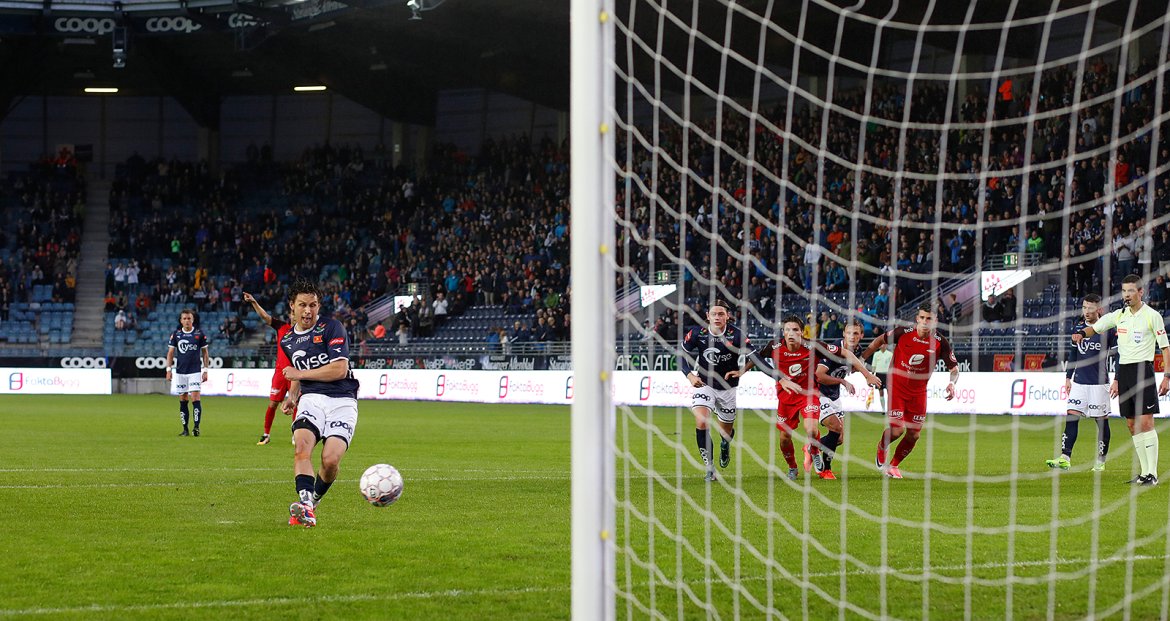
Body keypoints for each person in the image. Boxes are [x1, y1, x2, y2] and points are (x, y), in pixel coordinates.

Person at [728, 315, 871, 481]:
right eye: (787, 329)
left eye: (795, 330)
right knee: (784, 439)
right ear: (783, 332)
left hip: (808, 394)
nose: (791, 333)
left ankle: (815, 451)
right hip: (785, 397)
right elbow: (756, 358)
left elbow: (845, 352)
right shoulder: (774, 346)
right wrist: (742, 371)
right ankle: (792, 467)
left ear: (802, 333)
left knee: (811, 429)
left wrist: (867, 374)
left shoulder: (813, 346)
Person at [1073, 274, 1170, 485]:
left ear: (1140, 292)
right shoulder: (1119, 315)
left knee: (1146, 422)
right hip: (1124, 371)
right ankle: (1144, 473)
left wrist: (1167, 376)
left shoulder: (1152, 316)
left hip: (1143, 371)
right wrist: (1081, 333)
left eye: (1131, 291)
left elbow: (1165, 347)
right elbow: (1096, 328)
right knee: (1131, 423)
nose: (1126, 295)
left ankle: (1152, 473)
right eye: (1124, 291)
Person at [279, 280, 362, 527]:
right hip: (311, 399)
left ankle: (313, 502)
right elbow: (298, 371)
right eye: (302, 305)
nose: (308, 311)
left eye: (313, 305)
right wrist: (291, 397)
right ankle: (304, 504)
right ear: (292, 307)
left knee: (330, 460)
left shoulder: (331, 327)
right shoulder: (288, 340)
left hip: (343, 400)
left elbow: (339, 369)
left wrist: (298, 376)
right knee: (302, 448)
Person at [859, 301, 960, 479]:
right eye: (922, 318)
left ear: (935, 320)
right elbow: (878, 341)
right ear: (917, 318)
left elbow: (954, 368)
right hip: (897, 387)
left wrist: (952, 383)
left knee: (914, 435)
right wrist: (861, 358)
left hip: (919, 391)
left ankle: (894, 465)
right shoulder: (902, 333)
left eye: (929, 318)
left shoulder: (940, 342)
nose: (925, 321)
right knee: (897, 430)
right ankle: (882, 446)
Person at [678, 299, 750, 482]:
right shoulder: (697, 333)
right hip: (704, 384)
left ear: (727, 316)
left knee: (726, 431)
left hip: (728, 388)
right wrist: (690, 376)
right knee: (701, 421)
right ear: (707, 316)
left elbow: (755, 356)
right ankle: (710, 468)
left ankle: (725, 444)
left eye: (721, 314)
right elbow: (681, 356)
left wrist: (742, 371)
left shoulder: (737, 335)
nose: (717, 317)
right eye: (713, 314)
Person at [1047, 294, 1115, 472]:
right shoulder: (1078, 327)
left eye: (1090, 308)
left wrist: (1117, 379)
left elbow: (1119, 353)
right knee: (1071, 417)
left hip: (1099, 384)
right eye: (1084, 307)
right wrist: (1068, 377)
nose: (1086, 311)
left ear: (1099, 309)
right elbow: (1073, 354)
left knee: (1101, 422)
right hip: (1079, 382)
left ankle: (1100, 461)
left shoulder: (1107, 328)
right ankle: (1065, 458)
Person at [814, 320, 882, 478]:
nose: (852, 336)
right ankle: (826, 469)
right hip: (818, 392)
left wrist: (867, 375)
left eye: (856, 333)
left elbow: (862, 357)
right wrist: (843, 381)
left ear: (861, 336)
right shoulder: (833, 350)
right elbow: (819, 376)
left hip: (834, 394)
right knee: (836, 428)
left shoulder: (857, 350)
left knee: (839, 438)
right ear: (843, 334)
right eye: (849, 333)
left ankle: (813, 446)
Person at [243, 291, 293, 446]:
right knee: (272, 404)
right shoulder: (282, 327)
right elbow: (265, 317)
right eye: (292, 313)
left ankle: (296, 434)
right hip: (280, 372)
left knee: (297, 403)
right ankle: (266, 434)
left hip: (297, 374)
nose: (294, 316)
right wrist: (253, 302)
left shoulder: (307, 332)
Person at [165, 308, 210, 437]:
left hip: (195, 371)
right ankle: (185, 429)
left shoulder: (199, 334)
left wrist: (205, 370)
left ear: (193, 319)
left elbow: (205, 353)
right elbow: (170, 353)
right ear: (181, 320)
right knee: (183, 400)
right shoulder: (176, 335)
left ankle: (196, 427)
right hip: (180, 372)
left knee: (195, 398)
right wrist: (169, 370)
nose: (187, 321)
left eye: (189, 318)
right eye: (184, 318)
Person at [868, 341, 893, 411]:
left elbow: (892, 365)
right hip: (879, 374)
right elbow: (874, 365)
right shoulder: (876, 354)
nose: (883, 346)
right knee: (881, 392)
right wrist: (872, 375)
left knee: (889, 392)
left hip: (887, 374)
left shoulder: (890, 354)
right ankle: (883, 409)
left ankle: (889, 409)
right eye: (881, 345)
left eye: (884, 344)